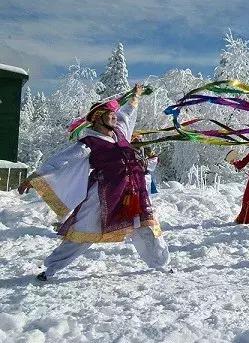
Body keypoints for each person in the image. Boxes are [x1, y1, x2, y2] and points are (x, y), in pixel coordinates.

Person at [18, 85, 170, 281]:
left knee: (146, 227)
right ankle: (51, 268)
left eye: (114, 114)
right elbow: (60, 160)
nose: (115, 117)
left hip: (133, 192)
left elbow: (128, 113)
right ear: (98, 117)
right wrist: (35, 177)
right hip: (103, 196)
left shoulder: (121, 133)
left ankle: (161, 264)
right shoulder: (89, 143)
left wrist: (136, 96)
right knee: (83, 232)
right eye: (110, 114)